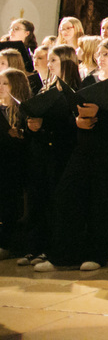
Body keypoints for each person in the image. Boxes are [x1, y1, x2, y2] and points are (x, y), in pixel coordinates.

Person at [35, 39, 108, 272]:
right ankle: (63, 255)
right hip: (85, 147)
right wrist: (77, 120)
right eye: (98, 54)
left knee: (102, 201)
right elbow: (74, 109)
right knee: (67, 195)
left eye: (106, 54)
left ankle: (96, 254)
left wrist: (100, 114)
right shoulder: (90, 80)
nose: (100, 58)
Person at [20, 47, 81, 266]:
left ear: (66, 61)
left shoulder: (75, 90)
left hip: (62, 152)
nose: (49, 64)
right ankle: (35, 247)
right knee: (38, 199)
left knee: (56, 201)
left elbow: (72, 124)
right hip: (41, 152)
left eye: (54, 60)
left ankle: (52, 249)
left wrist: (45, 123)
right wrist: (31, 125)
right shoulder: (46, 88)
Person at [0, 68, 32, 258]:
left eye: (5, 83)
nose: (0, 87)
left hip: (17, 166)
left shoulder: (24, 111)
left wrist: (19, 135)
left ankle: (9, 243)